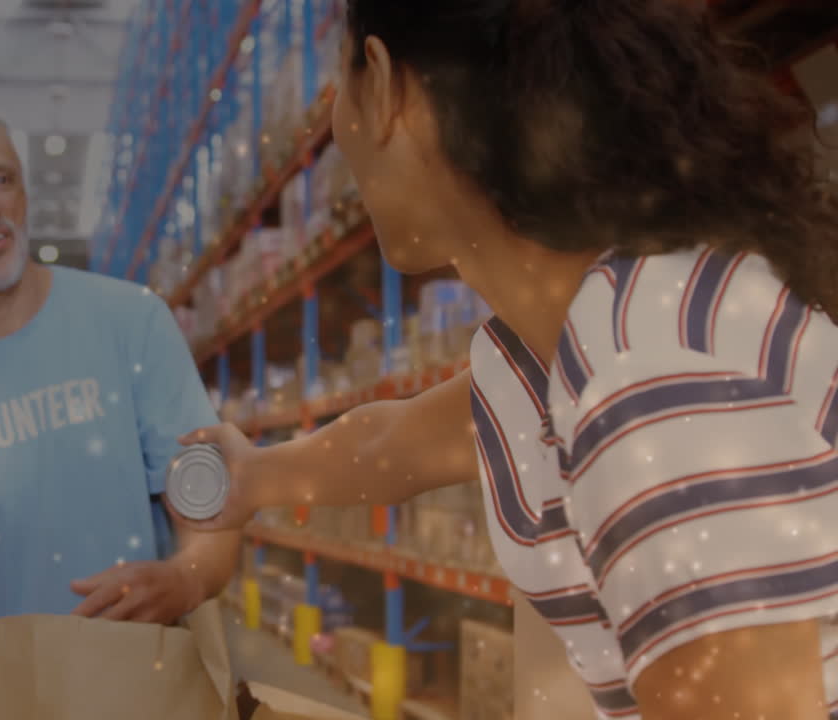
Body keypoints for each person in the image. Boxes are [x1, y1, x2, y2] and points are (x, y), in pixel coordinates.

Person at [176, 2, 838, 719]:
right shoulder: (559, 338)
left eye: (339, 85)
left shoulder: (652, 375)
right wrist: (252, 477)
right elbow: (394, 442)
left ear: (387, 87)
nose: (334, 130)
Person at [0, 105, 243, 720]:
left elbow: (211, 520)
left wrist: (186, 579)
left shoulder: (131, 326)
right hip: (0, 701)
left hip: (143, 694)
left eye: (2, 179)